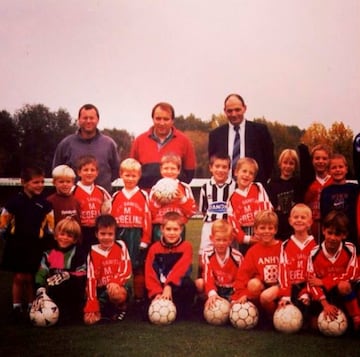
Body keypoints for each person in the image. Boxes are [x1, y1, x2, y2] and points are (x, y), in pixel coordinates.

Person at [0, 166, 54, 321]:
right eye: (35, 182)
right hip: (16, 245)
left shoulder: (45, 205)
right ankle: (16, 307)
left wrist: (48, 243)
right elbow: (3, 224)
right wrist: (8, 239)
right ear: (24, 182)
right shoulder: (13, 202)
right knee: (18, 277)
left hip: (35, 245)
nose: (40, 185)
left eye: (42, 182)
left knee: (31, 276)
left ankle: (32, 306)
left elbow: (50, 227)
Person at [307, 210, 360, 330]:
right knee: (315, 327)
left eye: (337, 234)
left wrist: (325, 281)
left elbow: (351, 275)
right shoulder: (314, 253)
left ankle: (356, 317)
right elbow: (311, 283)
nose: (332, 238)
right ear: (323, 230)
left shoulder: (350, 249)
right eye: (329, 233)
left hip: (343, 292)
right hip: (323, 295)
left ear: (344, 235)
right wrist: (325, 305)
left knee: (344, 285)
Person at [53, 103, 120, 193]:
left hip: (102, 199)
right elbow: (57, 171)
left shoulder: (109, 144)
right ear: (79, 120)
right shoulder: (66, 143)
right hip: (73, 200)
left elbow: (116, 170)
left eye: (91, 118)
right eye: (85, 118)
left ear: (97, 120)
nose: (88, 121)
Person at [208, 93, 274, 184]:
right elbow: (213, 162)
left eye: (237, 110)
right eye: (230, 111)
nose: (234, 114)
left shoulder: (260, 131)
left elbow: (269, 161)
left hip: (253, 188)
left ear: (244, 108)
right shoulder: (216, 135)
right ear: (225, 111)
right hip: (224, 189)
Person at [130, 102, 196, 190]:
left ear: (172, 121)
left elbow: (189, 173)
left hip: (175, 198)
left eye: (166, 119)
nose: (162, 123)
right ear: (152, 119)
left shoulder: (184, 141)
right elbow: (131, 170)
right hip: (146, 198)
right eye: (158, 119)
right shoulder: (139, 141)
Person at [111, 158, 151, 303]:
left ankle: (139, 298)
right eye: (127, 175)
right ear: (121, 175)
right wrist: (112, 239)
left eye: (133, 175)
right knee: (118, 268)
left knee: (138, 267)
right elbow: (111, 219)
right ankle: (119, 297)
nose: (130, 178)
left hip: (136, 235)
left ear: (139, 176)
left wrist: (145, 239)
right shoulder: (116, 196)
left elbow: (147, 218)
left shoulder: (143, 195)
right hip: (120, 235)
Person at [145, 211, 196, 320]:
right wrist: (156, 292)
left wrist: (169, 286)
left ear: (181, 230)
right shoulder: (154, 248)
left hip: (176, 287)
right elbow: (150, 273)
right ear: (162, 229)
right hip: (159, 287)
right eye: (168, 229)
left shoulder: (186, 247)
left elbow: (182, 269)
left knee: (189, 284)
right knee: (144, 312)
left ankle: (182, 310)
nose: (172, 233)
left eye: (175, 229)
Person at [34, 217, 86, 323]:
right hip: (55, 292)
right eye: (62, 234)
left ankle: (72, 312)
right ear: (56, 235)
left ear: (75, 239)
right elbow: (42, 271)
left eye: (69, 236)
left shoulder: (79, 252)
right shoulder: (50, 252)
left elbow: (83, 272)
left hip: (74, 292)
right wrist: (40, 288)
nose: (65, 238)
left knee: (74, 316)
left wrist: (68, 275)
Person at [231, 210, 281, 320]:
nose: (266, 231)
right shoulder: (253, 251)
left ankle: (278, 316)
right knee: (253, 284)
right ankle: (267, 316)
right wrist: (241, 295)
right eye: (262, 228)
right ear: (255, 230)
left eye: (270, 228)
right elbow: (242, 275)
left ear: (276, 230)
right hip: (263, 289)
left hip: (280, 287)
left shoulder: (283, 248)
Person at [83, 214, 132, 324]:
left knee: (115, 293)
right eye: (103, 234)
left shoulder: (121, 245)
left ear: (115, 234)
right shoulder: (91, 252)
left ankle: (121, 307)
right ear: (96, 234)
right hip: (102, 289)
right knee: (89, 320)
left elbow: (126, 270)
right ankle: (105, 310)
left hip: (118, 285)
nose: (106, 237)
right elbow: (91, 279)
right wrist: (92, 305)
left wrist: (115, 282)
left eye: (110, 234)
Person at [277, 204, 316, 325]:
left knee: (313, 324)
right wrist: (286, 295)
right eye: (296, 217)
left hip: (308, 287)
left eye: (303, 217)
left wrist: (307, 291)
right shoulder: (285, 245)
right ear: (290, 221)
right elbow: (283, 271)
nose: (299, 220)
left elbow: (315, 272)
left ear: (310, 222)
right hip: (291, 287)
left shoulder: (315, 245)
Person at [227, 157, 273, 254]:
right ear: (236, 172)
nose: (247, 175)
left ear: (253, 177)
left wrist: (262, 232)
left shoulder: (258, 187)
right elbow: (233, 223)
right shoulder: (232, 198)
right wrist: (246, 238)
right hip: (245, 239)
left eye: (251, 173)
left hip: (263, 234)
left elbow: (266, 209)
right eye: (244, 171)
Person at [195, 219, 243, 310]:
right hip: (215, 287)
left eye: (225, 240)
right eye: (218, 240)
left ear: (230, 240)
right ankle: (202, 304)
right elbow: (207, 275)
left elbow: (241, 278)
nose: (221, 243)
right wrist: (212, 293)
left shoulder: (237, 257)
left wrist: (236, 296)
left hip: (231, 289)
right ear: (211, 238)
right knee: (199, 283)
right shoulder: (207, 254)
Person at [149, 153, 196, 242]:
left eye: (173, 169)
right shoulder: (155, 188)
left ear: (178, 170)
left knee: (177, 252)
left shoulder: (184, 187)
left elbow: (191, 212)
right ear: (161, 170)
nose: (169, 171)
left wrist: (182, 199)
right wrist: (157, 203)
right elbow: (150, 214)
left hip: (177, 227)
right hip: (159, 226)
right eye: (166, 168)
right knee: (159, 252)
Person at [198, 154, 236, 258]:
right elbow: (203, 210)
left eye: (224, 167)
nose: (220, 170)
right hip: (210, 225)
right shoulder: (205, 187)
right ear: (211, 167)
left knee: (230, 252)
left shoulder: (234, 186)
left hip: (228, 225)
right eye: (217, 166)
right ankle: (203, 273)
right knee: (205, 252)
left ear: (229, 169)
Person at [72, 155, 112, 254]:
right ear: (79, 172)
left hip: (96, 231)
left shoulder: (101, 191)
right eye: (85, 170)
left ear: (97, 173)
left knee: (95, 256)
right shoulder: (73, 191)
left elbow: (109, 210)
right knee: (80, 257)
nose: (89, 173)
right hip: (80, 231)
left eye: (92, 170)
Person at [320, 153, 358, 249]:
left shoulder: (354, 189)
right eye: (334, 167)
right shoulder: (326, 191)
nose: (338, 170)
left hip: (351, 233)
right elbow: (324, 215)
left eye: (340, 167)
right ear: (328, 171)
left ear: (346, 169)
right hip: (333, 235)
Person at [266, 149, 303, 240]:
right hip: (277, 226)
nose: (288, 166)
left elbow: (300, 204)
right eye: (285, 163)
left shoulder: (298, 183)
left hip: (293, 227)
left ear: (295, 166)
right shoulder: (272, 183)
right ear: (280, 164)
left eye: (291, 163)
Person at [303, 144, 333, 242]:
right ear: (312, 160)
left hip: (331, 228)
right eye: (317, 158)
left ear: (329, 161)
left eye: (324, 158)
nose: (321, 161)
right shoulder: (307, 182)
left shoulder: (333, 181)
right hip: (310, 229)